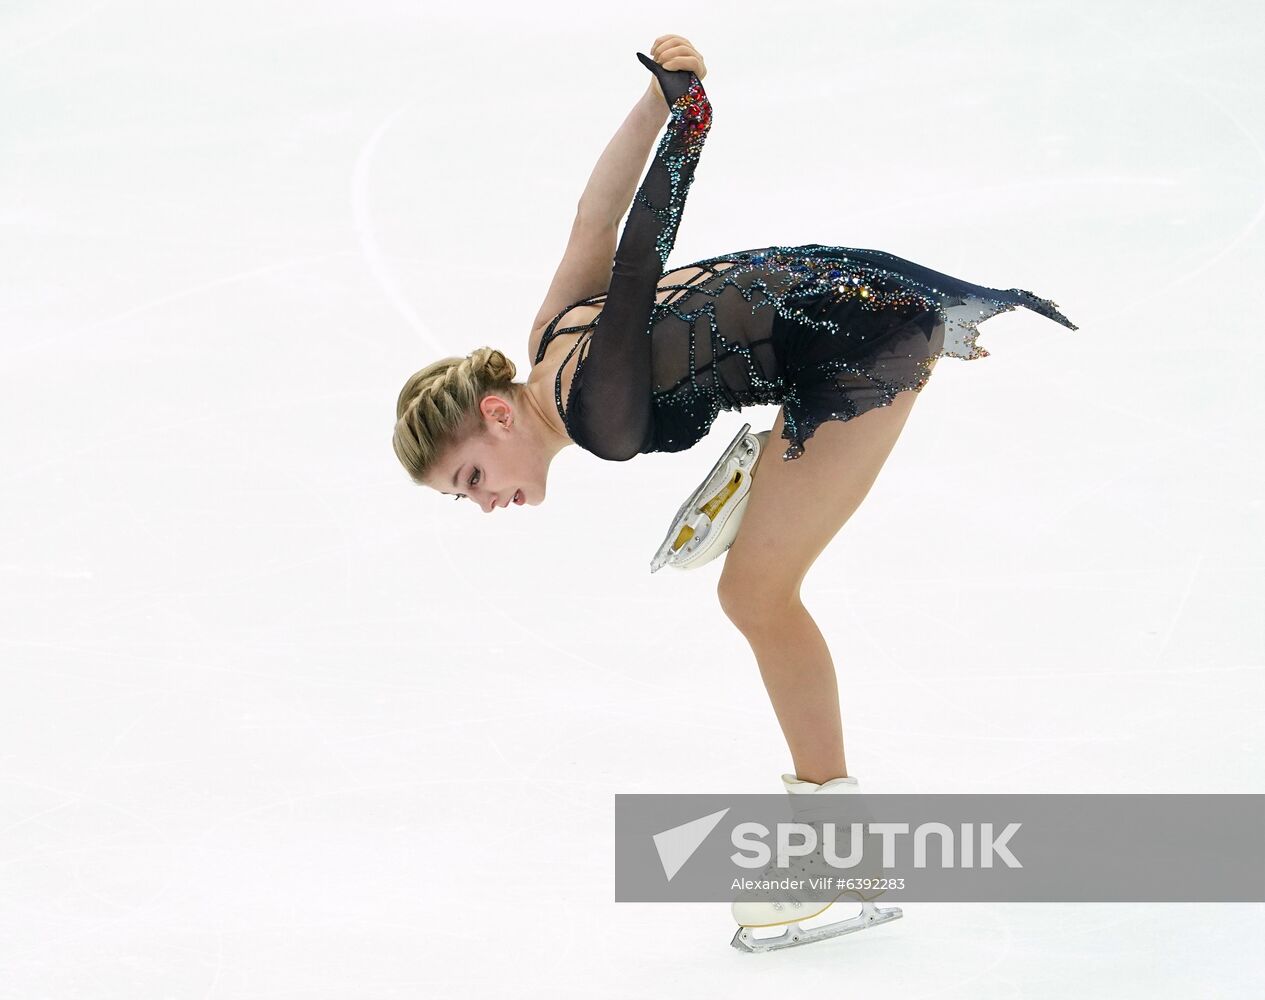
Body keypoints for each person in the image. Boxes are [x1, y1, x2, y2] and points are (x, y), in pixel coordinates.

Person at [391, 37, 1077, 951]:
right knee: (749, 582)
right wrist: (653, 100)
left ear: (495, 418)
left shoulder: (598, 412)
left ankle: (835, 849)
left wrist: (687, 127)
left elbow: (636, 262)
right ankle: (764, 467)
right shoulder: (549, 336)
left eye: (470, 477)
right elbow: (591, 221)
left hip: (846, 339)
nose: (483, 503)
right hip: (830, 293)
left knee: (755, 593)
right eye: (461, 498)